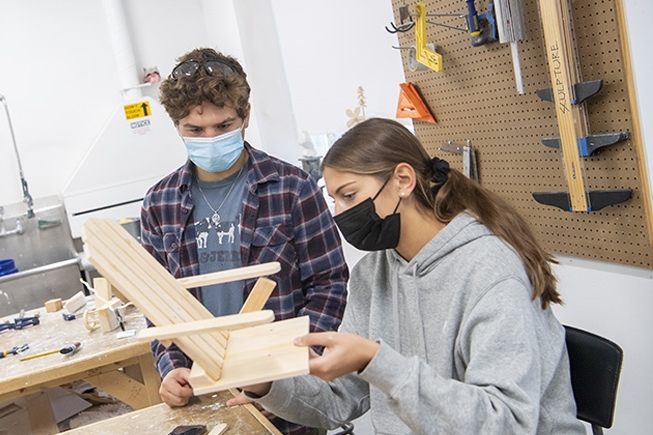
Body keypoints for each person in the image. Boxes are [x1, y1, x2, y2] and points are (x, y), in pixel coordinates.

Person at [243, 118, 585, 434]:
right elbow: (341, 398)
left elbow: (506, 422)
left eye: (349, 195)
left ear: (402, 181)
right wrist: (266, 384)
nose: (339, 214)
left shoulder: (490, 270)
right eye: (333, 199)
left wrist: (377, 360)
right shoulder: (372, 273)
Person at [140, 47, 349, 435]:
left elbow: (330, 285)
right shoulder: (160, 202)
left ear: (246, 115)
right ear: (176, 126)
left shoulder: (291, 188)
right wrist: (172, 368)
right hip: (204, 395)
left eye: (223, 126)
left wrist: (286, 381)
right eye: (195, 130)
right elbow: (159, 304)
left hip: (285, 392)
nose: (210, 138)